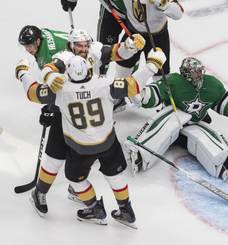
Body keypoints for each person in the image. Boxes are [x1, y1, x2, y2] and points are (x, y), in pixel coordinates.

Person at [25, 48, 167, 225]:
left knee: (75, 179)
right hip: (108, 141)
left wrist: (23, 72)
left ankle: (94, 208)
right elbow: (134, 85)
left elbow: (32, 92)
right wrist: (153, 65)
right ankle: (126, 209)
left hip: (80, 147)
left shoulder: (61, 90)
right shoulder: (105, 83)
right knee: (115, 177)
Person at [17, 27, 146, 216]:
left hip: (79, 108)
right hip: (74, 109)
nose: (83, 48)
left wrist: (130, 46)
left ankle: (70, 189)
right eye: (78, 45)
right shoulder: (65, 57)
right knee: (57, 158)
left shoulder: (94, 50)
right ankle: (45, 192)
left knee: (70, 160)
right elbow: (48, 70)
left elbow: (118, 52)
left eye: (86, 45)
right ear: (71, 45)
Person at [125, 57, 228, 180]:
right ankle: (140, 153)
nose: (199, 74)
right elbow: (153, 94)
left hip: (191, 127)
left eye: (200, 71)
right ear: (185, 74)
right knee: (170, 118)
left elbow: (222, 103)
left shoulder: (212, 84)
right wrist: (141, 95)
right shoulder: (173, 81)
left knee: (204, 134)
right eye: (195, 72)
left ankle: (221, 162)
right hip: (173, 122)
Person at [15, 25, 81, 210]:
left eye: (29, 45)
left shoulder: (50, 54)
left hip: (77, 91)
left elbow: (59, 85)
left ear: (37, 40)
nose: (28, 50)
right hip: (78, 81)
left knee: (63, 148)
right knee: (72, 146)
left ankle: (58, 188)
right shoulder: (41, 39)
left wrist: (51, 106)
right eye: (25, 46)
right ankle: (61, 188)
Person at [61, 0, 184, 77]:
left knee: (159, 70)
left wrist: (162, 2)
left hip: (153, 31)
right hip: (119, 13)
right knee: (108, 52)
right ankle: (100, 84)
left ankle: (160, 98)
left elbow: (178, 13)